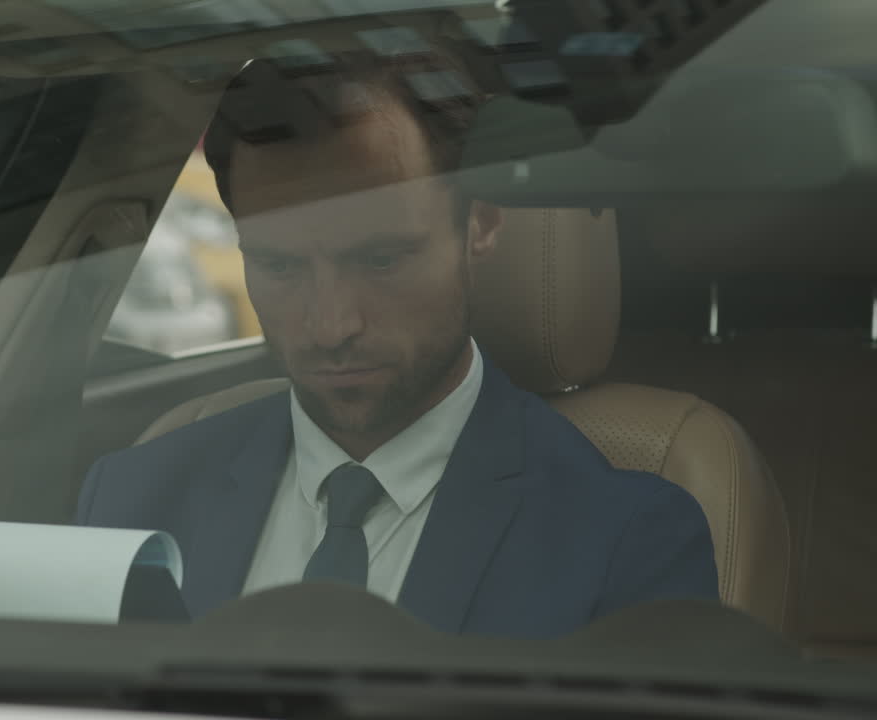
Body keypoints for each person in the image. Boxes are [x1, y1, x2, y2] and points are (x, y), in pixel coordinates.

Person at [75, 49, 719, 636]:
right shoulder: (134, 497)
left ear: (482, 225)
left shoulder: (625, 538)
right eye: (280, 267)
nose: (331, 327)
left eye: (381, 260)